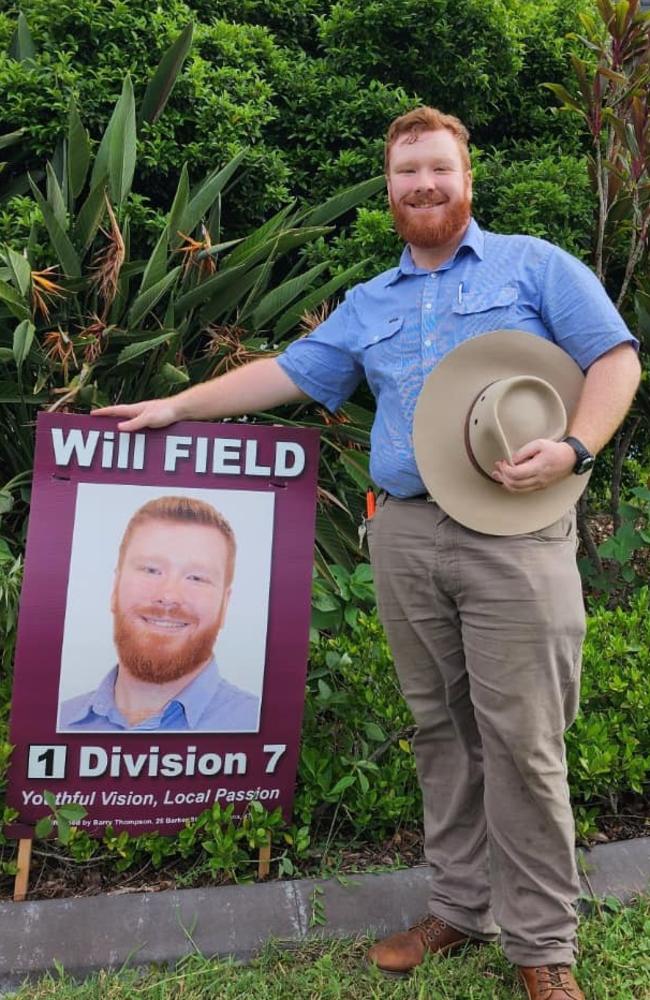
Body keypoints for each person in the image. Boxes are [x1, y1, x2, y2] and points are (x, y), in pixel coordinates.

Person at [94, 108, 641, 999]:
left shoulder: (534, 265)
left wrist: (575, 447)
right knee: (441, 730)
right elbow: (293, 370)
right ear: (388, 188)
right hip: (407, 534)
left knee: (524, 739)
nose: (422, 184)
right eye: (405, 172)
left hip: (518, 530)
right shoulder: (370, 302)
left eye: (438, 168)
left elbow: (616, 358)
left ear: (469, 177)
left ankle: (542, 944)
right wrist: (177, 406)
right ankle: (461, 909)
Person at [59, 495, 259, 732]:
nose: (169, 596)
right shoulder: (58, 721)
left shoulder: (257, 724)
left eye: (196, 578)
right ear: (115, 587)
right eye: (151, 570)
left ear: (225, 605)